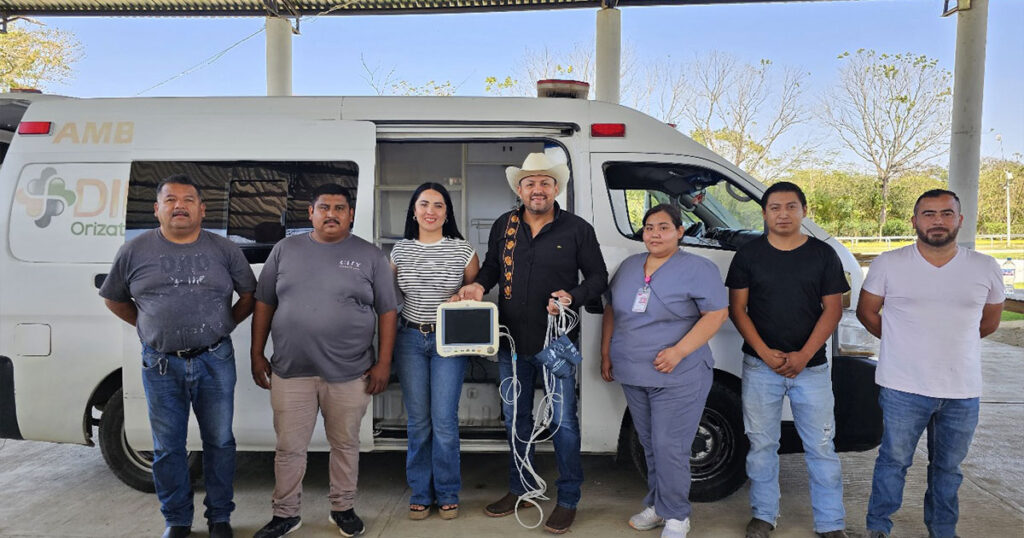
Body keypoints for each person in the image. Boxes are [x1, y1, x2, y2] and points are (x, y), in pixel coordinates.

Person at [456, 152, 608, 534]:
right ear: (519, 189)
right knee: (515, 419)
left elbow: (598, 276)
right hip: (510, 341)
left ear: (556, 188)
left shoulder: (577, 228)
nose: (537, 189)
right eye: (529, 182)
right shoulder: (504, 226)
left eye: (544, 182)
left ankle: (568, 498)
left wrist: (572, 295)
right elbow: (492, 266)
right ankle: (520, 487)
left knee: (562, 421)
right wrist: (477, 284)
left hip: (555, 342)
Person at [99, 174, 256, 538]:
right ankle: (177, 520)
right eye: (170, 199)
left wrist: (224, 326)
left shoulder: (224, 250)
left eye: (188, 199)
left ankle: (220, 517)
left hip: (215, 359)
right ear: (157, 209)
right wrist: (149, 326)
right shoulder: (134, 251)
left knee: (220, 441)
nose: (179, 205)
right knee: (168, 447)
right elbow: (113, 298)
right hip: (160, 363)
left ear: (203, 209)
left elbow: (249, 295)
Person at [250, 184, 398, 538]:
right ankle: (286, 514)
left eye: (339, 208)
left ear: (350, 214)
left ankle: (343, 508)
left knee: (345, 445)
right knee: (288, 448)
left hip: (350, 372)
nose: (331, 214)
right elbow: (264, 302)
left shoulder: (370, 256)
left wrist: (383, 364)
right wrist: (256, 353)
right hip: (291, 370)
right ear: (310, 212)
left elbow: (388, 311)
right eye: (324, 207)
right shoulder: (286, 250)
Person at [858, 189, 1004, 538]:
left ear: (960, 220)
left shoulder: (984, 267)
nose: (937, 221)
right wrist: (901, 342)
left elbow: (989, 322)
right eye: (928, 214)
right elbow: (867, 312)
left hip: (962, 390)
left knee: (948, 468)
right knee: (893, 463)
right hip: (902, 386)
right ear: (914, 221)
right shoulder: (889, 264)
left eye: (946, 213)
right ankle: (878, 528)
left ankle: (942, 530)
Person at [725, 182, 850, 538]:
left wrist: (804, 355)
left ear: (804, 211)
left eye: (791, 207)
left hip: (811, 369)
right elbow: (738, 309)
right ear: (764, 213)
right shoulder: (748, 255)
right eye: (775, 207)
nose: (783, 214)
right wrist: (765, 353)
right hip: (760, 367)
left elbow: (833, 309)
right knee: (762, 445)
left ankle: (830, 523)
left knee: (822, 446)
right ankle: (763, 515)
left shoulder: (823, 255)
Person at [600, 204, 728, 538]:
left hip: (679, 374)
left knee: (671, 445)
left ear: (680, 231)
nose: (655, 234)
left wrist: (678, 352)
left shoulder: (699, 268)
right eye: (648, 227)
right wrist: (606, 352)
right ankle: (658, 506)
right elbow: (612, 310)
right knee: (650, 443)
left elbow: (716, 315)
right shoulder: (629, 267)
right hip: (634, 371)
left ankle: (677, 516)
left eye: (663, 227)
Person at [390, 182, 479, 520]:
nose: (430, 211)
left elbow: (476, 289)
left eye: (438, 205)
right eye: (424, 204)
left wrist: (467, 294)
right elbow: (389, 298)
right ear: (413, 210)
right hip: (410, 340)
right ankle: (420, 492)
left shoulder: (462, 250)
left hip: (449, 341)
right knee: (418, 422)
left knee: (444, 421)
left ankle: (446, 493)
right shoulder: (399, 250)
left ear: (447, 212)